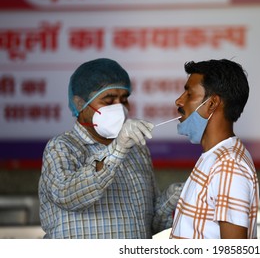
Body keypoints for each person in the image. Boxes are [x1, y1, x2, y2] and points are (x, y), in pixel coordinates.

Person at [38, 58, 182, 239]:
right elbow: (69, 197)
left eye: (124, 99)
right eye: (108, 101)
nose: (119, 108)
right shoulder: (62, 147)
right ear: (80, 103)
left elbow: (149, 223)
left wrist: (176, 195)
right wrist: (118, 148)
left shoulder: (136, 150)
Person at [170, 59, 259, 239]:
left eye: (189, 93)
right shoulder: (215, 156)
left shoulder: (229, 165)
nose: (179, 101)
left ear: (211, 104)